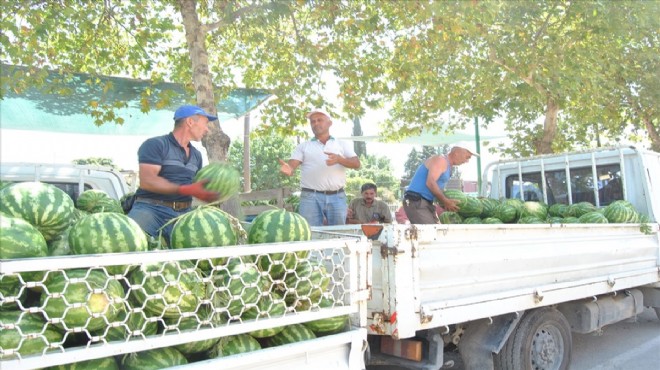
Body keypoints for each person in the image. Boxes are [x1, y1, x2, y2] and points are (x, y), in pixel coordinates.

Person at [128, 105, 220, 245]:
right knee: (130, 245)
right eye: (205, 123)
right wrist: (185, 189)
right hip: (150, 210)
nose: (207, 129)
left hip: (184, 214)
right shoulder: (156, 145)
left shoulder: (197, 155)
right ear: (190, 122)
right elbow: (148, 181)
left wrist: (209, 190)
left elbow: (196, 186)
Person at [279, 108, 361, 226]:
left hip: (337, 196)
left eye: (319, 120)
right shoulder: (303, 146)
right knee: (311, 233)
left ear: (329, 123)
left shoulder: (341, 144)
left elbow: (356, 164)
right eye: (312, 121)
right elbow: (291, 167)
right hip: (310, 198)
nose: (316, 123)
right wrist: (288, 169)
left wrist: (339, 159)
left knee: (338, 234)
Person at [402, 146, 478, 224]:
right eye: (467, 157)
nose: (467, 161)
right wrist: (445, 201)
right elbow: (430, 182)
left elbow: (439, 189)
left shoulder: (449, 167)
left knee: (438, 232)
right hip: (416, 201)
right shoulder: (441, 160)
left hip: (426, 202)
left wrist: (471, 200)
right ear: (456, 153)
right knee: (430, 233)